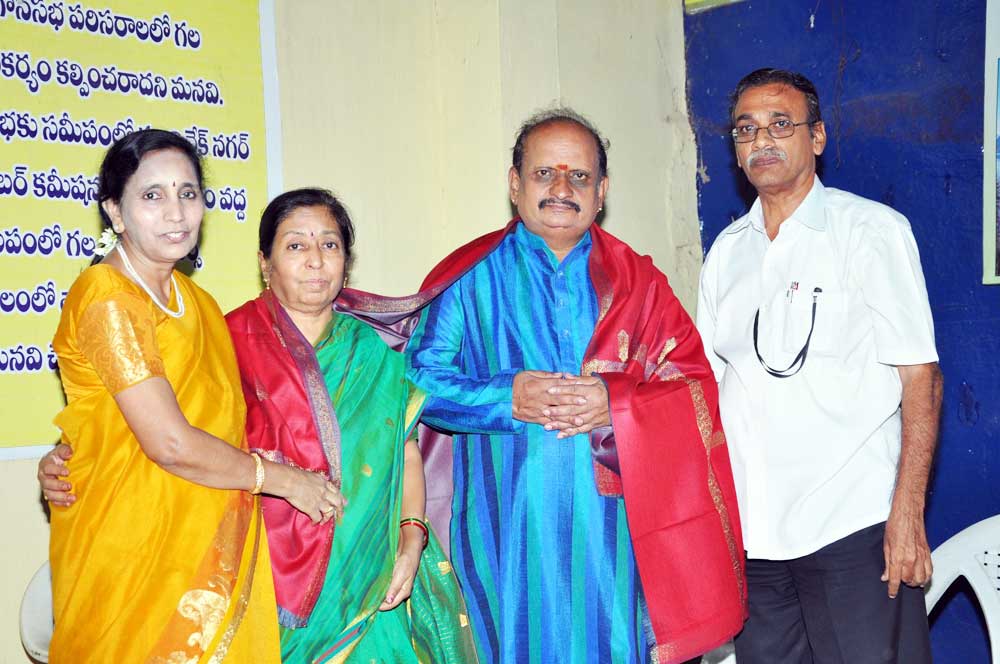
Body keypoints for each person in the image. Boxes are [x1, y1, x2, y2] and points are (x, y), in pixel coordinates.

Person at [333, 109, 747, 664]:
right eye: (544, 173)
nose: (561, 188)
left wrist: (616, 404)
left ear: (601, 192)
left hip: (614, 538)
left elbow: (692, 386)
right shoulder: (471, 277)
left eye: (579, 176)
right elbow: (417, 381)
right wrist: (505, 398)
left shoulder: (639, 283)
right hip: (503, 532)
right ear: (515, 184)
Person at [42, 186, 478, 663]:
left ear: (346, 262)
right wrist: (72, 457)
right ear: (265, 264)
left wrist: (411, 539)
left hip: (371, 578)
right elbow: (160, 434)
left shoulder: (374, 356)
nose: (315, 260)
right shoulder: (223, 342)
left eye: (329, 244)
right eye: (296, 245)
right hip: (254, 579)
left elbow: (404, 452)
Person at [43, 130, 338, 662]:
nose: (176, 212)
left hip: (207, 533)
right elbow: (170, 443)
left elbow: (227, 415)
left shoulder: (197, 302)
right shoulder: (107, 297)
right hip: (131, 544)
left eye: (188, 193)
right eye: (152, 195)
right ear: (115, 211)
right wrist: (286, 481)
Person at [696, 68, 942, 663]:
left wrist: (907, 513)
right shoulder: (726, 254)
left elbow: (922, 379)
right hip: (756, 538)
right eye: (746, 129)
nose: (762, 140)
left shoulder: (871, 231)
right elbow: (708, 390)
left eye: (780, 124)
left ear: (818, 137)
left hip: (852, 526)